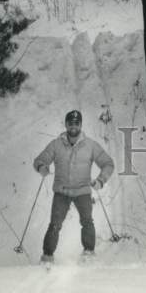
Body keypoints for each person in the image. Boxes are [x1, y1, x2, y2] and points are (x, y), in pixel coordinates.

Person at [33, 109, 114, 262]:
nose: (73, 127)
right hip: (61, 191)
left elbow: (108, 164)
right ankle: (47, 257)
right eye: (70, 124)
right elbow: (39, 160)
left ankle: (89, 254)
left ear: (81, 125)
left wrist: (100, 181)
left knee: (87, 222)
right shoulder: (56, 144)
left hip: (82, 190)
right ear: (66, 125)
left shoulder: (90, 145)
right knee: (55, 224)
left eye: (76, 124)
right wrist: (42, 167)